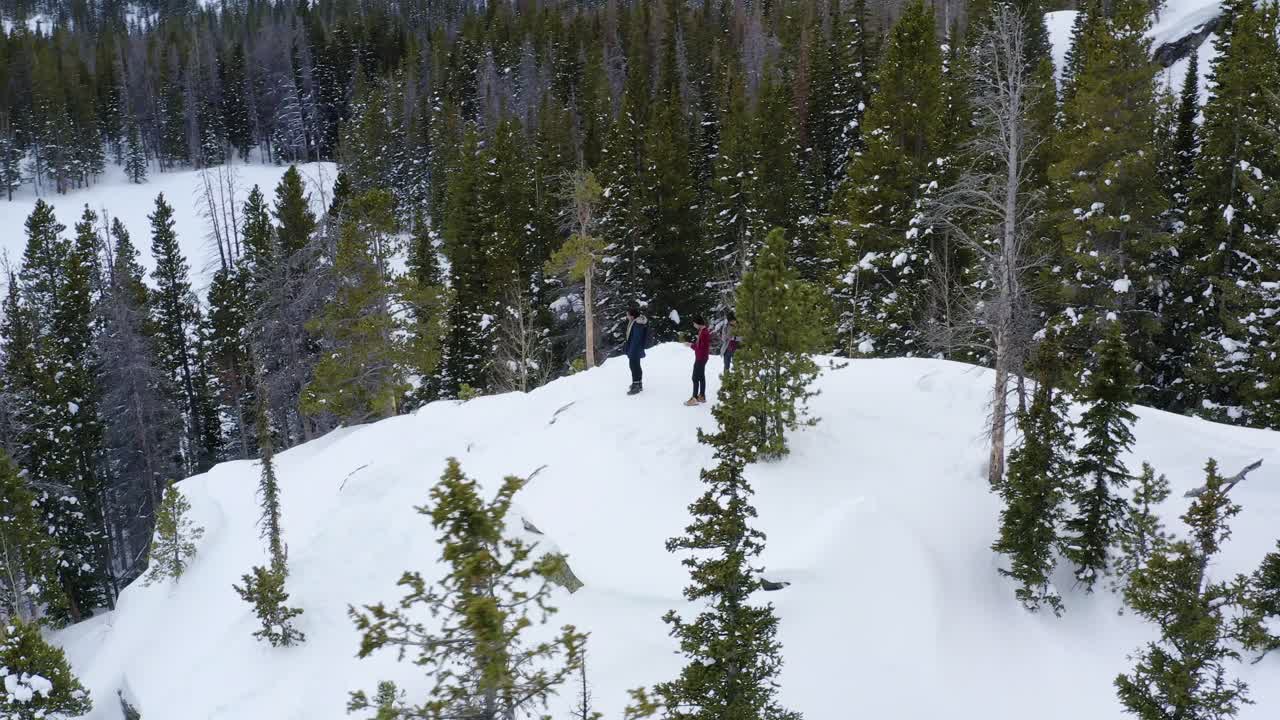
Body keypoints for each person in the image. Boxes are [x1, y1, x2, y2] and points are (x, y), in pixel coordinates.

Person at [686, 315, 711, 406]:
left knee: (695, 377)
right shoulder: (702, 331)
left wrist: (691, 345)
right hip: (701, 357)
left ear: (698, 323)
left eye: (694, 323)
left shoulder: (704, 333)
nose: (694, 325)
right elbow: (700, 346)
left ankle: (694, 398)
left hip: (701, 358)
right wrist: (693, 345)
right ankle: (702, 396)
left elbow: (701, 348)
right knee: (701, 376)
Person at [624, 306, 648, 395]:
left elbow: (636, 339)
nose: (627, 316)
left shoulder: (637, 324)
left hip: (635, 349)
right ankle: (639, 383)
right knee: (636, 365)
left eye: (628, 315)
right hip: (635, 348)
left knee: (634, 366)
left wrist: (632, 350)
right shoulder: (635, 322)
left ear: (632, 316)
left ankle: (636, 385)